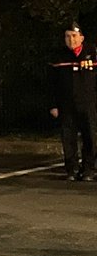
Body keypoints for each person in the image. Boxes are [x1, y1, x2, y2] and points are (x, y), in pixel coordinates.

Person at [48, 22, 97, 181]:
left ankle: (89, 169)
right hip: (66, 104)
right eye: (68, 36)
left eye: (74, 36)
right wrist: (53, 104)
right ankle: (72, 169)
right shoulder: (58, 56)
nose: (71, 39)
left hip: (88, 103)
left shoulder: (92, 53)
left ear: (81, 38)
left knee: (90, 136)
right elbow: (51, 83)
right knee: (68, 138)